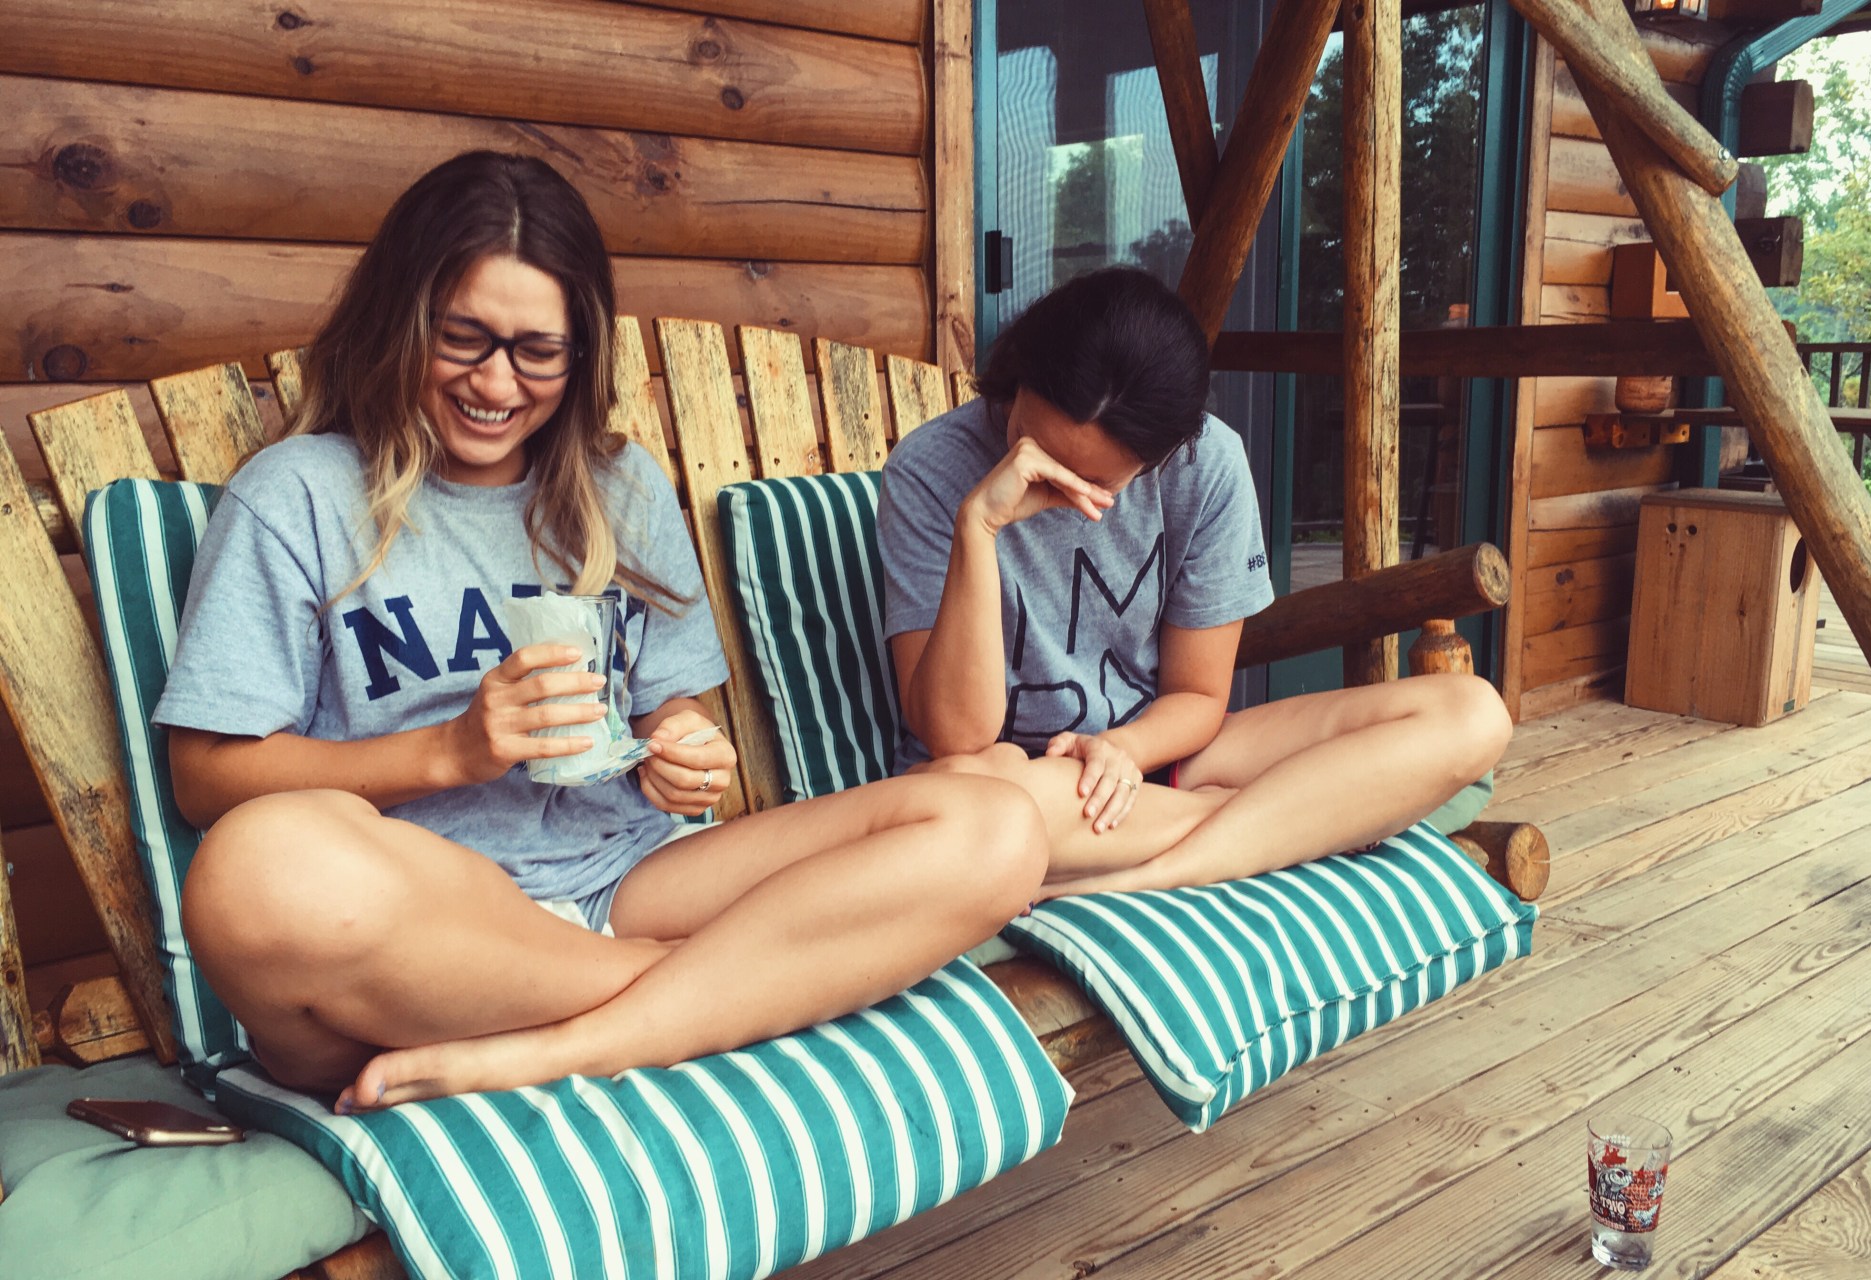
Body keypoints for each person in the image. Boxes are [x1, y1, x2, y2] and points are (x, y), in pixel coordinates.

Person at [161, 151, 1046, 1114]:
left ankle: (557, 1046)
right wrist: (447, 753)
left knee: (994, 821)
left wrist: (684, 747)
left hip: (631, 878)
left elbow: (678, 703)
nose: (497, 382)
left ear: (579, 355)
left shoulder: (619, 486)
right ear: (402, 319)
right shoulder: (299, 496)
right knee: (252, 873)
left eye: (538, 350)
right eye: (464, 339)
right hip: (420, 922)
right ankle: (734, 985)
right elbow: (208, 777)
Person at [877, 266, 1511, 899]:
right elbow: (955, 736)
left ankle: (1164, 867)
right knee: (975, 801)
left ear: (1162, 454)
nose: (1056, 486)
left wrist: (1125, 749)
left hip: (1155, 757)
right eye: (1033, 447)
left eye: (1094, 483)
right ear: (1019, 376)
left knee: (1473, 714)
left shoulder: (1206, 463)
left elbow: (1199, 698)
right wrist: (979, 526)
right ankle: (1297, 817)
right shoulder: (930, 470)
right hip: (1019, 783)